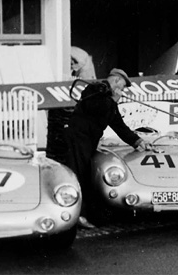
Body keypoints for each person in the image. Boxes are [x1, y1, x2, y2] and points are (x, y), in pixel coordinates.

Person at [63, 69, 151, 228]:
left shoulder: (110, 100)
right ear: (117, 80)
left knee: (85, 175)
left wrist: (138, 142)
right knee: (78, 175)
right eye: (122, 86)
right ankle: (76, 217)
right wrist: (113, 100)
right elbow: (95, 107)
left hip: (87, 141)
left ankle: (83, 215)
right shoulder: (95, 89)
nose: (122, 91)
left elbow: (118, 125)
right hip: (78, 138)